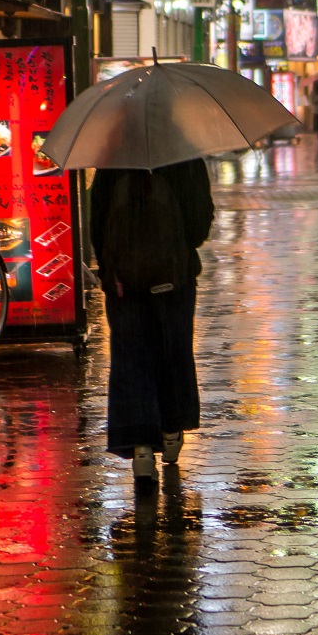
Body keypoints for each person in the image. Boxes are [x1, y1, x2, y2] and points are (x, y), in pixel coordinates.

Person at [89, 158, 215, 487]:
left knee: (131, 356)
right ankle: (171, 429)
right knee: (173, 350)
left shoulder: (111, 159)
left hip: (123, 283)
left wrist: (111, 268)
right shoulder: (185, 156)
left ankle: (142, 449)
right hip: (174, 277)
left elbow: (97, 225)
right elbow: (200, 224)